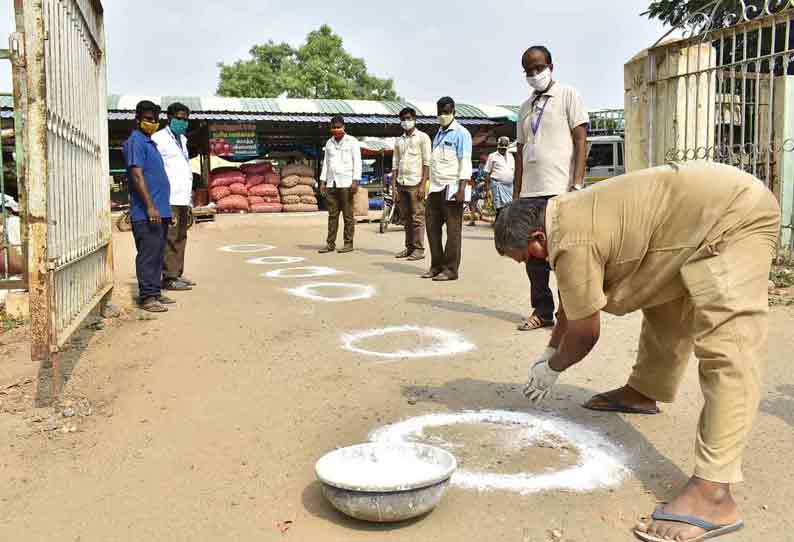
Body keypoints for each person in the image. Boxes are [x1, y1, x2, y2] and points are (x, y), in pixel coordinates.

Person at [494, 161, 780, 542]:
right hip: (697, 218)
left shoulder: (570, 241)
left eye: (527, 258)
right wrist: (548, 351)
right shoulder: (564, 217)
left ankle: (714, 493)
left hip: (733, 215)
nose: (531, 266)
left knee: (729, 347)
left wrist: (555, 367)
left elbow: (584, 332)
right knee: (665, 304)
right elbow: (570, 305)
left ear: (537, 238)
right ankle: (644, 392)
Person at [514, 45, 589, 332]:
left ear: (551, 65)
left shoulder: (568, 95)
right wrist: (518, 193)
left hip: (560, 191)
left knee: (563, 255)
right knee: (533, 257)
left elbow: (581, 140)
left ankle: (568, 313)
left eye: (539, 67)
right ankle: (542, 311)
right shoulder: (524, 107)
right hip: (531, 193)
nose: (534, 74)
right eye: (529, 70)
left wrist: (577, 183)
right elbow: (520, 151)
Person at [122, 101, 174, 313]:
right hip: (145, 213)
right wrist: (151, 207)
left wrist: (165, 210)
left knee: (158, 252)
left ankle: (155, 292)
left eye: (155, 120)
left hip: (159, 211)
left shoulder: (149, 143)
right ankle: (147, 297)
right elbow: (137, 175)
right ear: (138, 119)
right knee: (148, 254)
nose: (152, 123)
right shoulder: (136, 142)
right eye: (148, 119)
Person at [423, 96, 472, 281]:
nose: (443, 115)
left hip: (452, 188)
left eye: (447, 112)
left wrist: (462, 188)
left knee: (453, 232)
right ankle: (436, 266)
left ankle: (450, 269)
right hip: (435, 188)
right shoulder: (438, 134)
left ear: (454, 112)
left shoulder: (462, 133)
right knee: (432, 228)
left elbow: (465, 162)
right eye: (440, 112)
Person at [152, 102, 195, 291]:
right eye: (179, 118)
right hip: (169, 198)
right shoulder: (159, 138)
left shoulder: (183, 140)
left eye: (186, 119)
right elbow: (154, 169)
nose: (183, 122)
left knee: (180, 236)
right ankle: (169, 277)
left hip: (182, 197)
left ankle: (177, 272)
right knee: (170, 237)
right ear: (169, 118)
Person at [392, 107, 431, 261]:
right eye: (403, 119)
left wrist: (423, 185)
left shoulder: (423, 138)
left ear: (414, 119)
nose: (406, 121)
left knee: (417, 218)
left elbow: (427, 163)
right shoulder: (398, 140)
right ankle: (409, 248)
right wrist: (394, 188)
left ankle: (419, 249)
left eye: (408, 118)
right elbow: (395, 164)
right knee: (406, 218)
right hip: (402, 183)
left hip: (416, 184)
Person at [319, 115, 361, 254]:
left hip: (347, 183)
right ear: (330, 128)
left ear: (344, 127)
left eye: (339, 127)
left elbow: (357, 162)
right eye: (334, 127)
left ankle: (348, 243)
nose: (336, 130)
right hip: (332, 183)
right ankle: (330, 244)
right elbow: (326, 163)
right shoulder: (329, 143)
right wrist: (323, 181)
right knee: (332, 216)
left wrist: (355, 180)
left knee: (348, 216)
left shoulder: (352, 141)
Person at [483, 137, 515, 223]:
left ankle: (504, 226)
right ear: (498, 146)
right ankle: (498, 227)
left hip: (509, 186)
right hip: (497, 185)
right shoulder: (492, 156)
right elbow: (487, 172)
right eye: (501, 147)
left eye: (505, 147)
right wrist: (487, 189)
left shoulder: (511, 156)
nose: (503, 149)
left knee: (508, 208)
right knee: (500, 208)